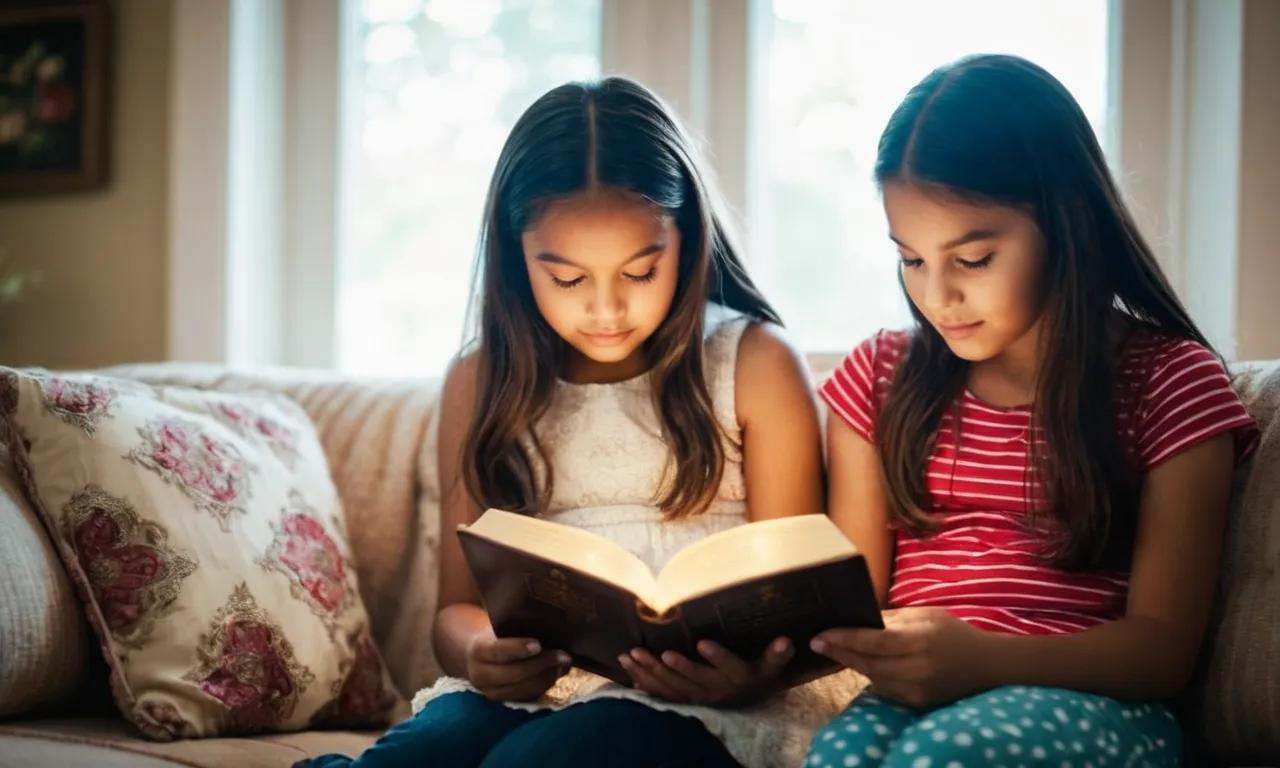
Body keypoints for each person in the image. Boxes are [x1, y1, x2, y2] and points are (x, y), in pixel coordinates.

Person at [300, 75, 861, 768]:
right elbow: (456, 611)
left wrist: (752, 673)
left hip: (706, 708)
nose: (606, 309)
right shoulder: (480, 381)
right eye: (568, 279)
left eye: (640, 272)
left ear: (686, 243)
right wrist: (483, 653)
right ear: (517, 256)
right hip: (537, 693)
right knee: (415, 759)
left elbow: (794, 602)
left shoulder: (752, 361)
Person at [804, 54, 1259, 768]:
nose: (937, 296)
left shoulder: (1169, 382)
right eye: (911, 260)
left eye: (974, 258)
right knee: (840, 757)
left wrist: (982, 660)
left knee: (941, 757)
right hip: (915, 698)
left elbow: (1164, 649)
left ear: (1066, 223)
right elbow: (850, 602)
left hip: (1097, 702)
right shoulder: (881, 378)